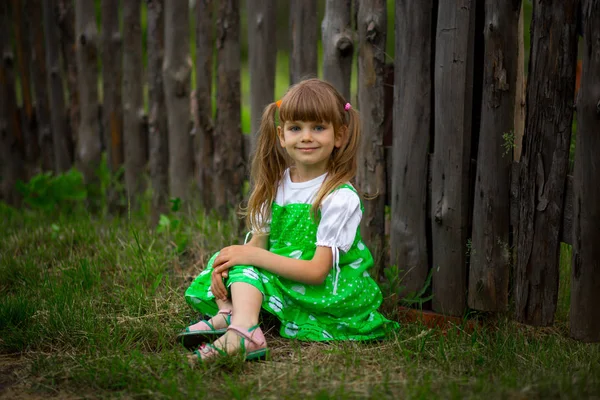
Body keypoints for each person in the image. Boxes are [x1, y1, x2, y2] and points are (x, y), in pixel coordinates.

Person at [179, 78, 398, 363]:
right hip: (286, 276)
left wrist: (250, 256)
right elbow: (258, 245)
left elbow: (317, 272)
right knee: (224, 262)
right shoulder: (277, 184)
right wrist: (232, 263)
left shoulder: (338, 197)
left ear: (339, 136)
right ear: (282, 136)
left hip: (327, 291)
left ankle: (244, 333)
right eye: (296, 128)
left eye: (318, 128)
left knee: (246, 262)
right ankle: (229, 314)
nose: (306, 136)